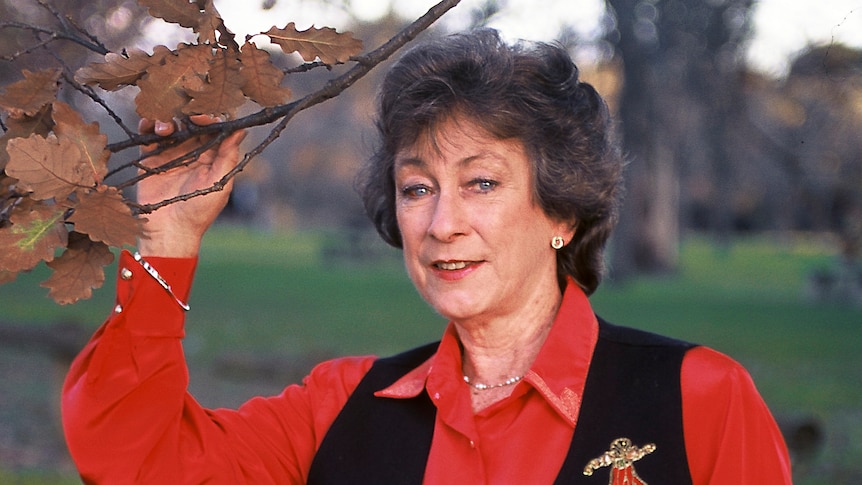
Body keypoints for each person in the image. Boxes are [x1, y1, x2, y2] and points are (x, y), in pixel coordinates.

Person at [62, 29, 791, 484]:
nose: (443, 222)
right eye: (417, 187)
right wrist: (170, 238)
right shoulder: (339, 409)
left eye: (480, 182)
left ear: (561, 210)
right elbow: (135, 460)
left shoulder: (702, 399)